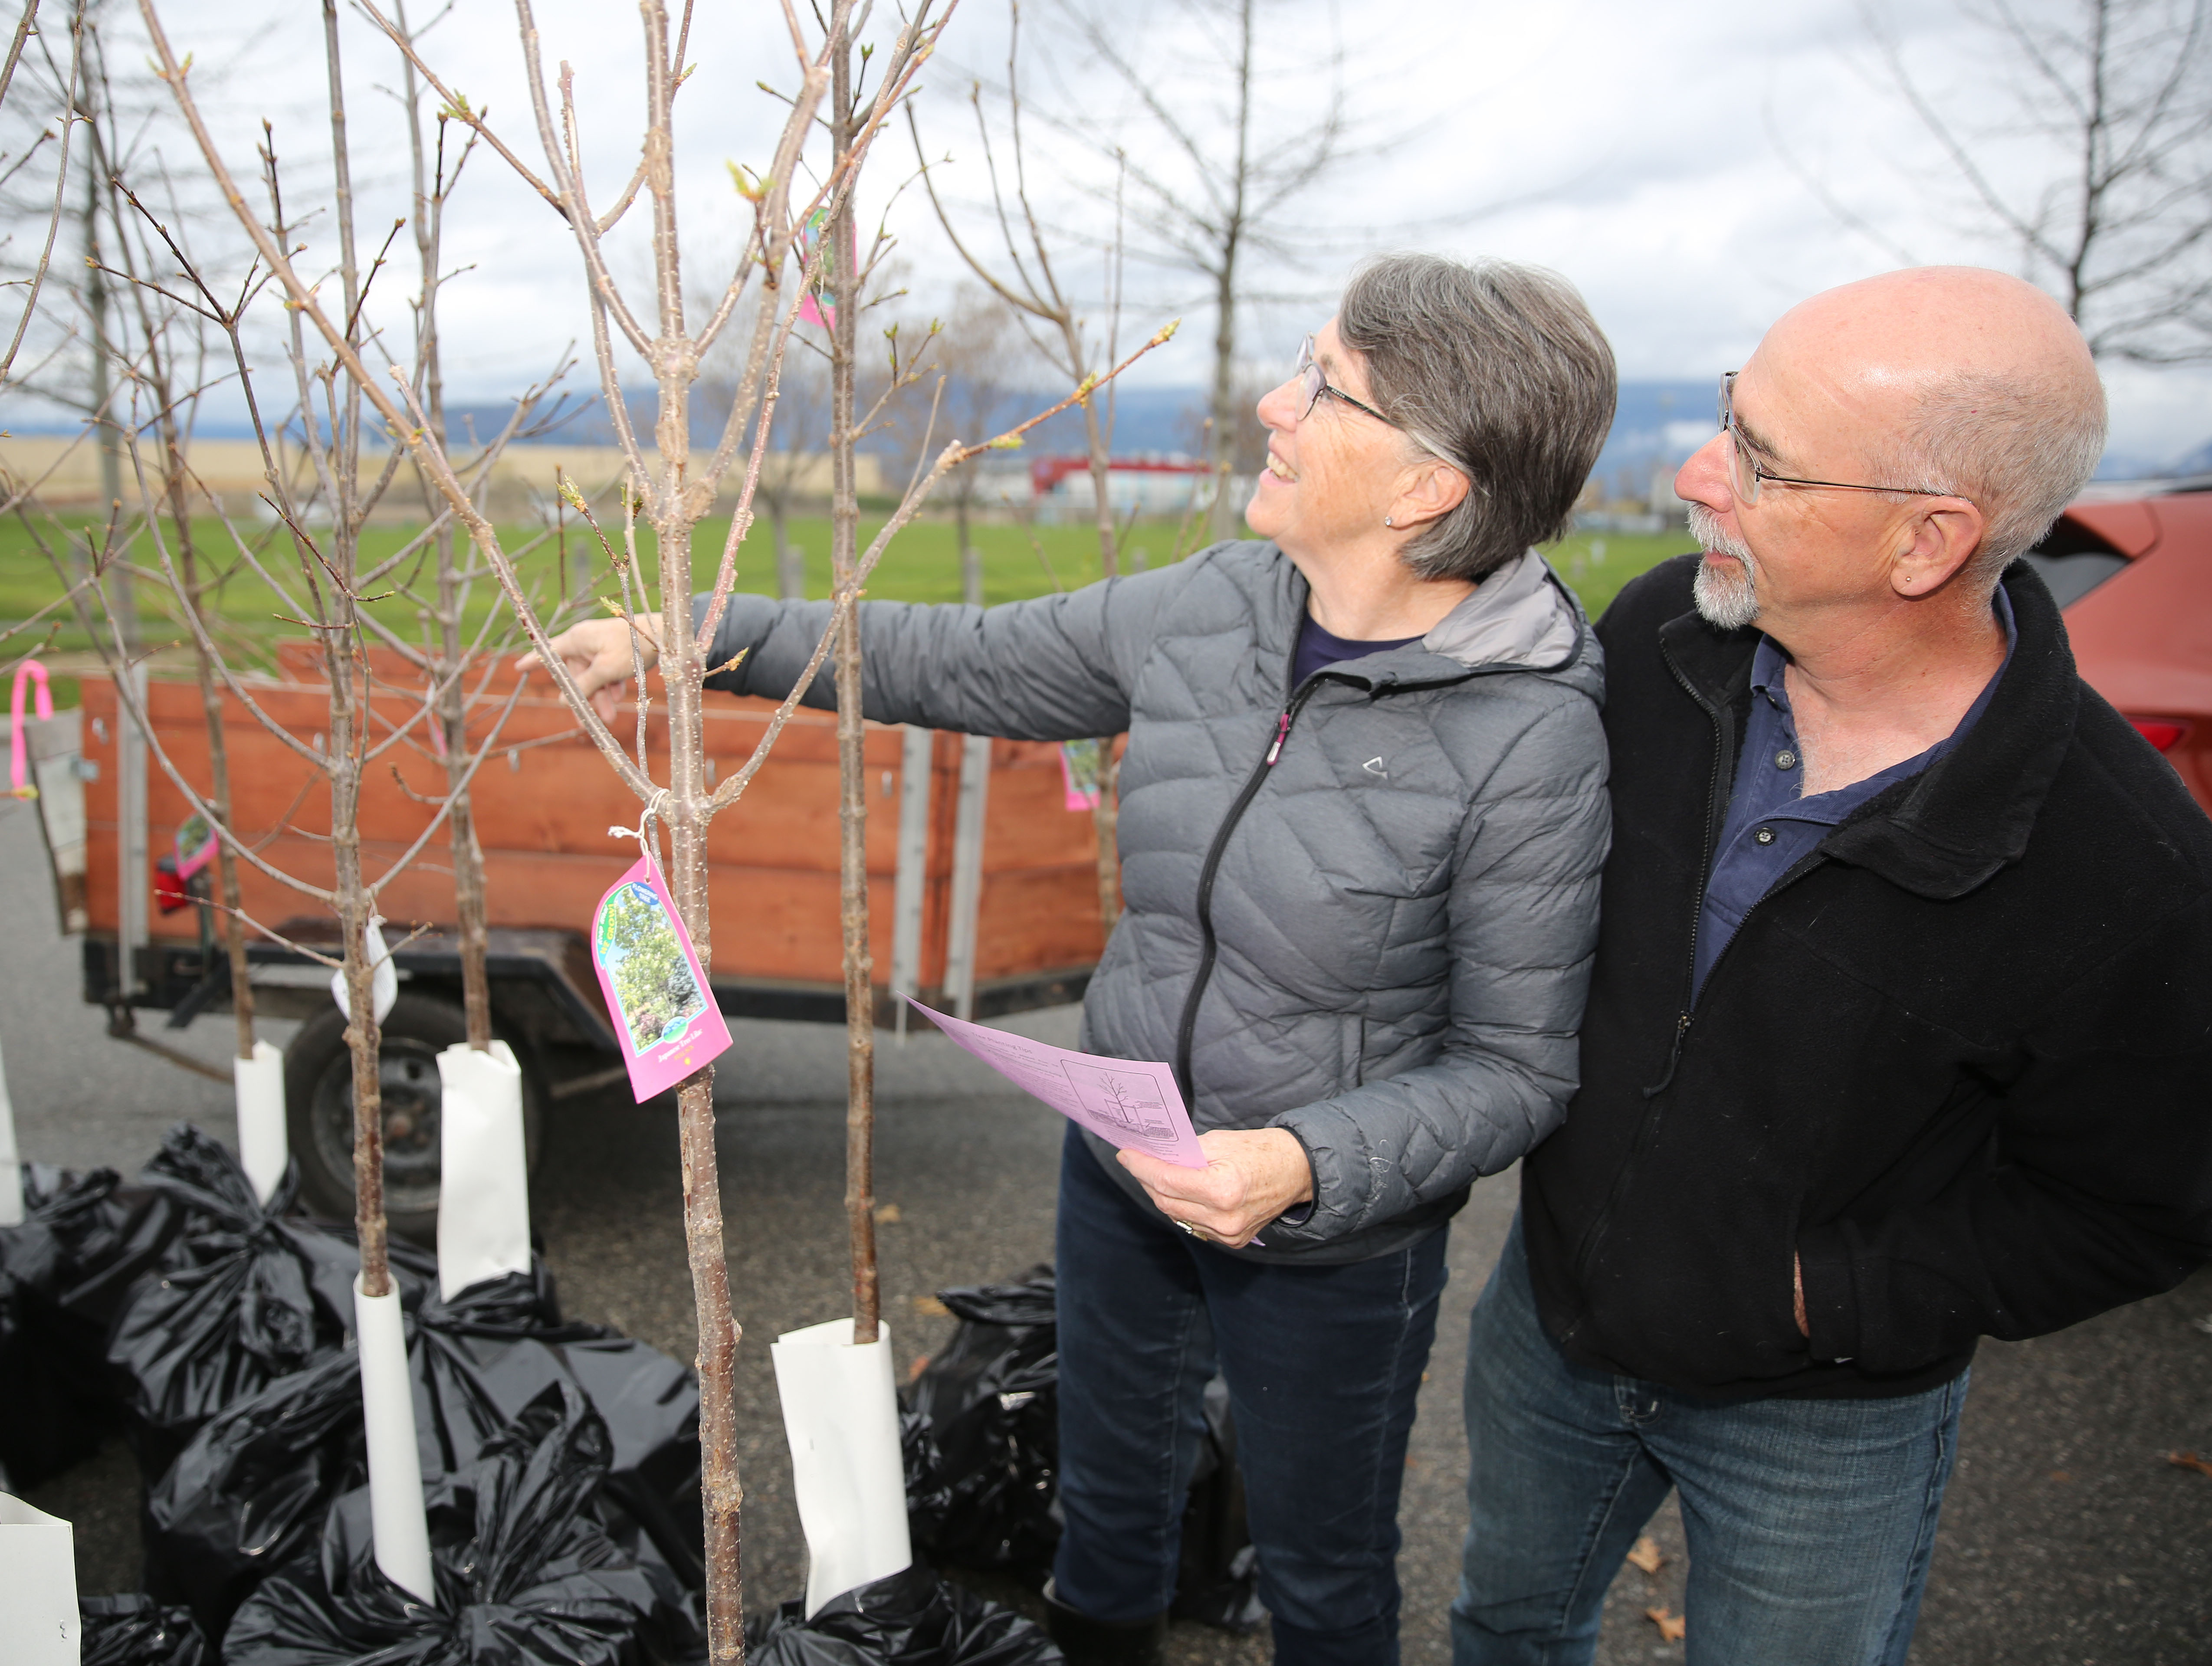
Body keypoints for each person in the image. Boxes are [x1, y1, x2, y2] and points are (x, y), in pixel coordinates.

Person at [527, 253, 1618, 1665]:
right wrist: (702, 640)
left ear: (1426, 488)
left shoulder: (1532, 737)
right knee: (1106, 1507)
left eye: (1323, 387)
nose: (1275, 407)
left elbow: (1518, 1068)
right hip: (1122, 1164)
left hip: (1330, 1242)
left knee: (1323, 1567)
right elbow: (965, 659)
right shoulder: (1218, 603)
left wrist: (1300, 1162)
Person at [1449, 267, 2212, 1666]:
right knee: (1506, 1628)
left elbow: (2131, 1216)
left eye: (1760, 460)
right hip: (1552, 1321)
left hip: (1821, 1416)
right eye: (1727, 418)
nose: (1698, 475)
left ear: (1927, 542)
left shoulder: (2132, 874)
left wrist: (1828, 1298)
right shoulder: (1659, 638)